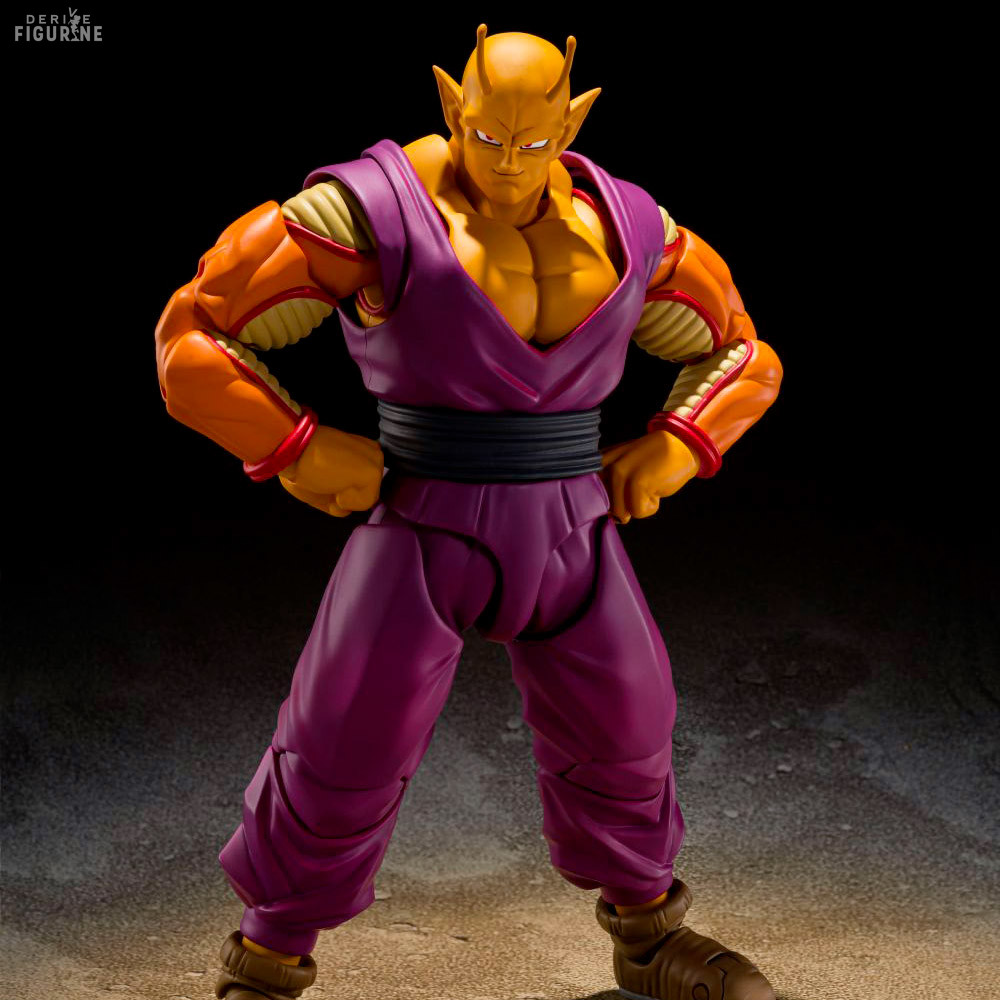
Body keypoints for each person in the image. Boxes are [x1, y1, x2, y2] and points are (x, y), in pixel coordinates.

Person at [154, 26, 782, 1000]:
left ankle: (650, 934)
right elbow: (192, 334)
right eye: (489, 137)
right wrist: (296, 445)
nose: (510, 162)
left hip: (570, 524)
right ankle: (268, 957)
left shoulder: (631, 226)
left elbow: (744, 350)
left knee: (629, 721)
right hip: (422, 516)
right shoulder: (368, 211)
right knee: (345, 734)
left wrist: (676, 444)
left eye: (534, 141)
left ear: (574, 120)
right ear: (454, 104)